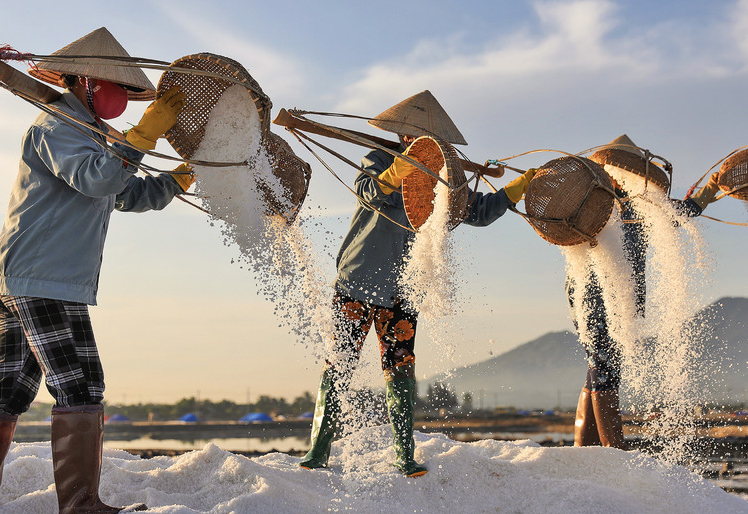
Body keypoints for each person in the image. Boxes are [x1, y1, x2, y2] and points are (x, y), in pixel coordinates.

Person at [0, 27, 194, 514]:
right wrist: (145, 134)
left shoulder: (96, 135)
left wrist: (179, 178)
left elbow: (125, 193)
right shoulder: (55, 128)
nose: (123, 100)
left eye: (130, 94)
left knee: (11, 387)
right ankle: (81, 504)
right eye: (117, 88)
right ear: (85, 81)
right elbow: (98, 177)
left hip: (28, 276)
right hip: (43, 278)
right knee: (81, 384)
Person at [299, 90, 536, 476]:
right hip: (357, 281)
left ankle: (404, 456)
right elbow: (370, 191)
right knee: (340, 364)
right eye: (411, 136)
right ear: (404, 136)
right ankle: (318, 451)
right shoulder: (376, 159)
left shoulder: (446, 179)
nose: (416, 141)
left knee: (400, 369)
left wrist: (515, 188)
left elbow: (477, 213)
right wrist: (401, 168)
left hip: (403, 291)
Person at [569, 135, 708, 448]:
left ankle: (583, 450)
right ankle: (614, 454)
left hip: (606, 299)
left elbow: (680, 212)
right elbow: (682, 211)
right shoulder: (598, 204)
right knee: (604, 368)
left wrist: (710, 191)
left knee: (598, 366)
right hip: (595, 297)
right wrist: (708, 193)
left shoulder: (636, 207)